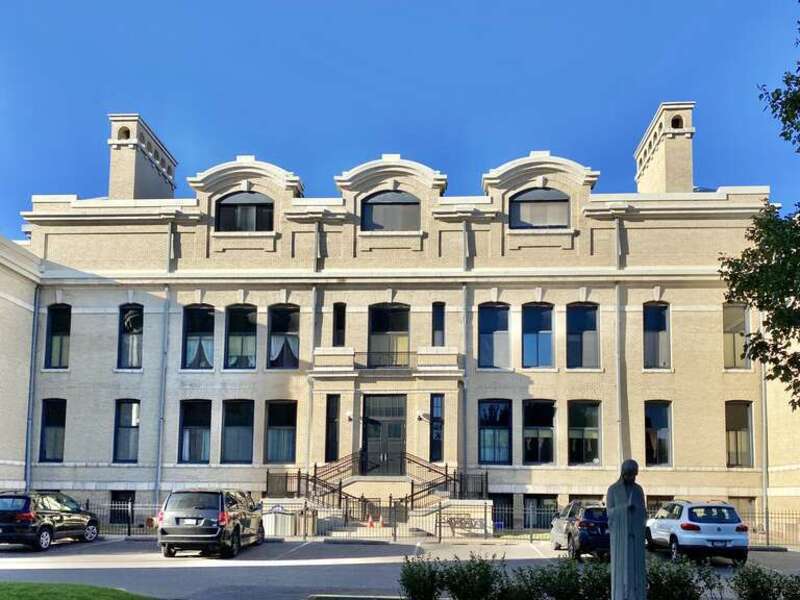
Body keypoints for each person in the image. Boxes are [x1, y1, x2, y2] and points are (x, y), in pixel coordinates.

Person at [606, 459, 647, 600]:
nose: (633, 478)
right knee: (621, 571)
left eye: (635, 475)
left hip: (635, 539)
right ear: (624, 474)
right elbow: (609, 514)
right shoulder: (613, 490)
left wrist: (637, 511)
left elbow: (644, 513)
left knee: (636, 573)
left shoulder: (638, 490)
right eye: (630, 475)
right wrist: (624, 509)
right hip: (620, 541)